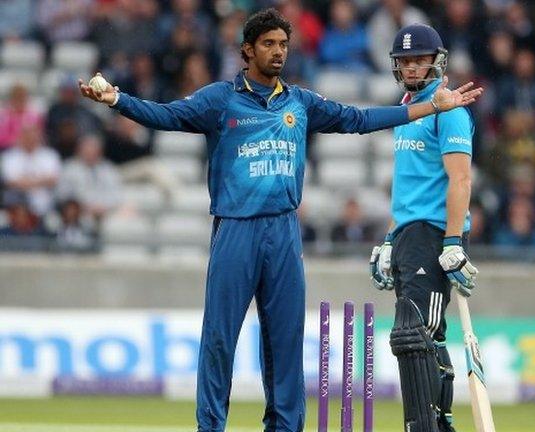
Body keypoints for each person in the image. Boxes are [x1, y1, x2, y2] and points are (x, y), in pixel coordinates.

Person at [78, 8, 482, 432]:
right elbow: (167, 115)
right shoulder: (220, 99)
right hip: (236, 228)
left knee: (286, 339)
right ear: (247, 50)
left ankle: (285, 426)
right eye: (268, 44)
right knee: (220, 338)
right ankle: (210, 425)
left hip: (284, 231)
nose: (278, 52)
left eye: (283, 45)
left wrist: (428, 108)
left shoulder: (300, 102)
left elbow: (359, 120)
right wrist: (117, 100)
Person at [369, 24, 478, 432]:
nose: (412, 67)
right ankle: (439, 423)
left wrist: (453, 241)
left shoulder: (449, 111)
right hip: (408, 233)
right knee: (421, 338)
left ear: (437, 61)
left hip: (435, 233)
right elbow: (406, 186)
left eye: (420, 59)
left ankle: (423, 427)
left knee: (415, 332)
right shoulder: (408, 108)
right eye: (405, 61)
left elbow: (460, 180)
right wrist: (387, 239)